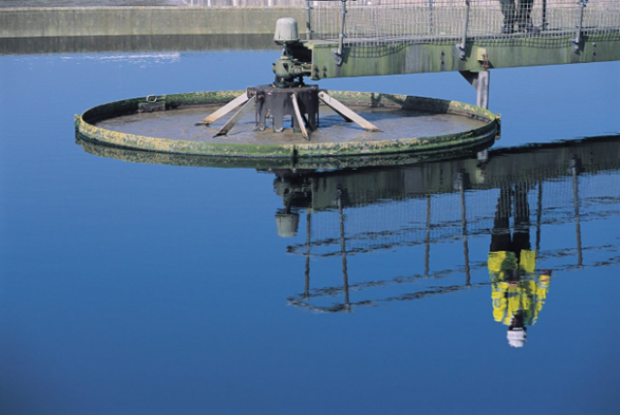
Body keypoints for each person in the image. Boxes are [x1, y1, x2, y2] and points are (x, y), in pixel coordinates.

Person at [488, 183, 552, 348]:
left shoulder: (500, 315)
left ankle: (504, 190)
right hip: (524, 262)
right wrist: (545, 281)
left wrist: (507, 282)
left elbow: (497, 291)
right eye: (520, 327)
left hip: (501, 261)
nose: (518, 323)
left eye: (514, 326)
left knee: (501, 223)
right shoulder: (531, 316)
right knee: (522, 224)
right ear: (524, 328)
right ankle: (521, 191)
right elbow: (540, 297)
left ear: (509, 327)